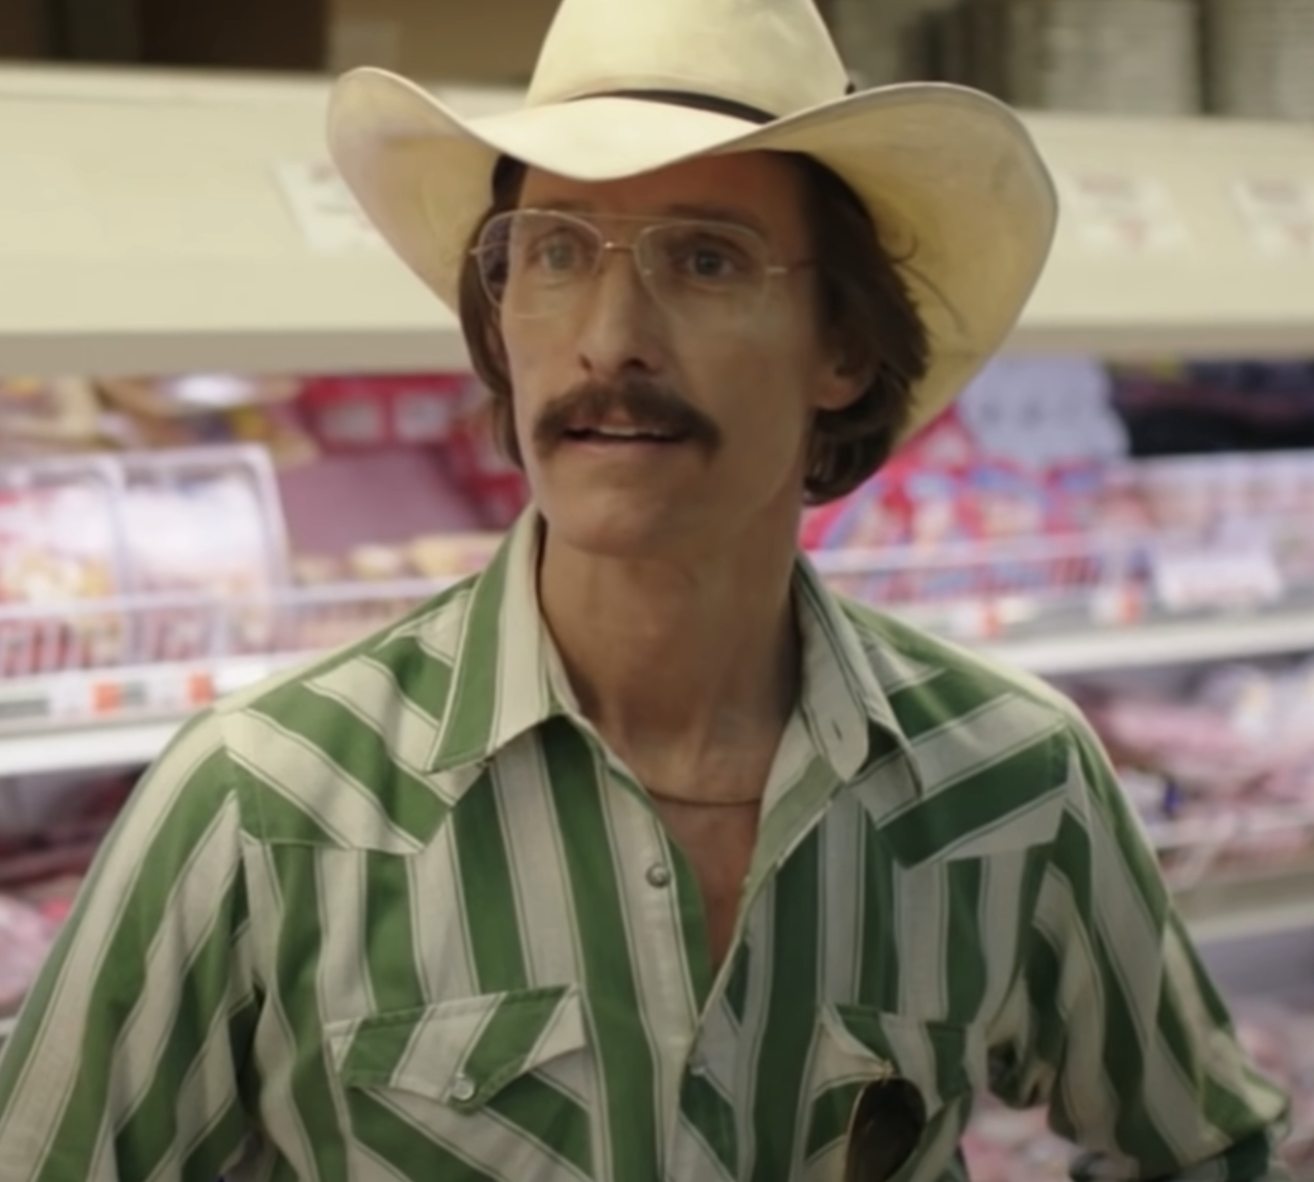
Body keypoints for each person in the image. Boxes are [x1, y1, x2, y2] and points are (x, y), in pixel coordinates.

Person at [0, 0, 1291, 1178]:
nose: (607, 336)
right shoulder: (270, 804)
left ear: (840, 345)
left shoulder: (1008, 780)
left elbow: (1204, 1142)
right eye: (550, 252)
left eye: (706, 260)